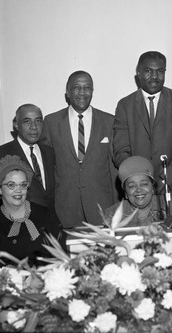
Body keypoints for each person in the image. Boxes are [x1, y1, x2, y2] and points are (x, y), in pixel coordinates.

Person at [113, 51, 172, 210]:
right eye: (148, 71)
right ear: (138, 73)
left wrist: (164, 179)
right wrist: (140, 181)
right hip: (138, 195)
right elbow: (120, 151)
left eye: (160, 71)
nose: (154, 76)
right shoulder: (125, 105)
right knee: (142, 235)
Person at [40, 71, 119, 228]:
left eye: (87, 87)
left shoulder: (109, 121)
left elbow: (113, 168)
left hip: (102, 209)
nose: (82, 92)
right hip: (64, 209)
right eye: (77, 87)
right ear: (67, 92)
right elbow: (46, 169)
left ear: (92, 91)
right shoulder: (51, 122)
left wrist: (116, 209)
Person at [0, 104, 56, 230]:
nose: (34, 127)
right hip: (18, 233)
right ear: (16, 124)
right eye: (27, 121)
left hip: (50, 231)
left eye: (38, 121)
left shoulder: (49, 152)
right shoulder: (0, 154)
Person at [0, 155, 63, 267]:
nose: (18, 190)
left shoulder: (46, 215)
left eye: (23, 185)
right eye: (11, 185)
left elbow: (62, 257)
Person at [104, 156, 172, 230]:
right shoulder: (112, 215)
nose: (138, 189)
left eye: (144, 184)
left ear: (152, 188)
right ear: (126, 193)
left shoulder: (171, 207)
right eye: (132, 186)